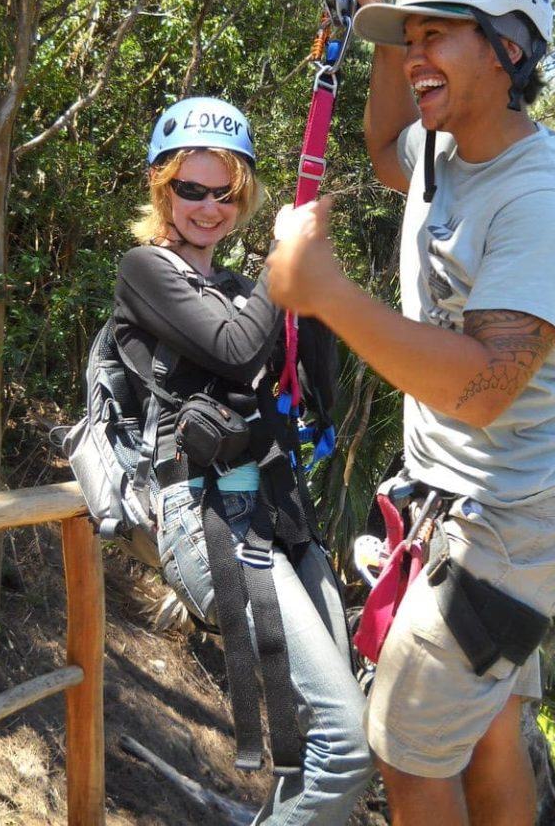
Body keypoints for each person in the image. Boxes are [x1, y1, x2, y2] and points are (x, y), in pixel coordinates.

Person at [265, 0, 555, 826]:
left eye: (439, 37)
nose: (419, 56)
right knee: (489, 726)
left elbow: (484, 388)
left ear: (509, 49)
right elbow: (384, 144)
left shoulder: (545, 198)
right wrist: (381, 30)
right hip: (468, 506)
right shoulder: (442, 150)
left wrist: (326, 293)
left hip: (516, 522)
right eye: (410, 39)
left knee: (405, 748)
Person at [111, 95, 371, 826]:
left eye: (224, 192)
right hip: (211, 521)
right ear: (163, 187)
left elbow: (316, 383)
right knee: (347, 749)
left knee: (328, 739)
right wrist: (282, 267)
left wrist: (309, 286)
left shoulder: (237, 287)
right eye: (190, 189)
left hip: (282, 521)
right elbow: (232, 348)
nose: (207, 206)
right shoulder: (146, 272)